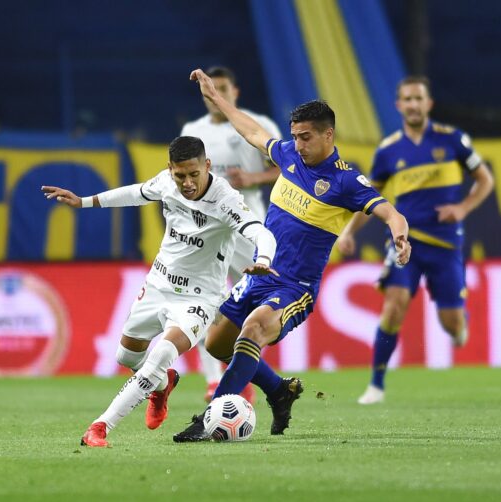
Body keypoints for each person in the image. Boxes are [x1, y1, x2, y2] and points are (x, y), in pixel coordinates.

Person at [172, 69, 411, 442]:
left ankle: (209, 419)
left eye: (306, 137)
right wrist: (218, 100)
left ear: (328, 134)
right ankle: (279, 391)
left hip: (295, 286)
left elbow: (390, 212)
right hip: (259, 273)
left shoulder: (346, 181)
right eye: (295, 136)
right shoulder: (287, 156)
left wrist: (400, 235)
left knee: (251, 331)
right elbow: (252, 131)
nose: (298, 144)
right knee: (216, 343)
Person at [42, 136, 278, 447]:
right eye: (181, 175)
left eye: (194, 174)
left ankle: (99, 428)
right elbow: (135, 193)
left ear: (207, 166)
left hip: (198, 298)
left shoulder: (225, 199)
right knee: (126, 355)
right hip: (157, 286)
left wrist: (263, 259)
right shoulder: (166, 183)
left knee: (161, 355)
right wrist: (84, 201)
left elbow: (261, 232)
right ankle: (162, 385)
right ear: (170, 170)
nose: (188, 183)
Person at [336, 76, 495, 405]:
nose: (412, 104)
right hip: (405, 241)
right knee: (394, 306)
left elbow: (485, 180)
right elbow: (371, 197)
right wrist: (349, 231)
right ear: (399, 105)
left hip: (446, 243)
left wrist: (463, 208)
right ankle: (376, 385)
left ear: (428, 104)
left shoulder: (453, 140)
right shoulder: (389, 150)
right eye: (407, 99)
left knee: (450, 324)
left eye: (418, 98)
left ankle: (458, 324)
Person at [180, 66, 282, 404]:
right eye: (213, 88)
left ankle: (245, 370)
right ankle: (213, 380)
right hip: (206, 230)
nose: (216, 95)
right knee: (201, 302)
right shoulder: (192, 130)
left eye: (223, 88)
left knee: (252, 307)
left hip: (247, 226)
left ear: (234, 92)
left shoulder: (256, 124)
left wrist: (253, 180)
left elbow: (287, 168)